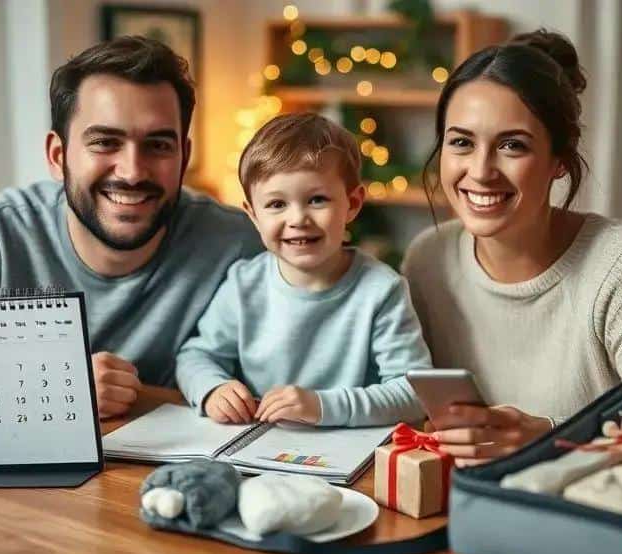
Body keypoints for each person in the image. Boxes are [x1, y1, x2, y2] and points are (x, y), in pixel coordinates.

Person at [0, 36, 262, 431]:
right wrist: (54, 388)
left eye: (158, 145)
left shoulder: (237, 244)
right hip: (12, 504)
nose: (132, 171)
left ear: (184, 155)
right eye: (104, 142)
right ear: (58, 157)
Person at [401, 30, 622, 466]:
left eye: (512, 145)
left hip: (591, 515)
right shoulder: (427, 258)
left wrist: (549, 434)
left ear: (559, 159)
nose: (481, 171)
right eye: (462, 142)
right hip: (464, 511)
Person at [175, 113, 432, 427]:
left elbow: (415, 393)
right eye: (276, 205)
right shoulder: (244, 283)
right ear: (253, 215)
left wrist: (322, 406)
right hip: (255, 446)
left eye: (317, 199)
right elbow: (196, 356)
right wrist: (212, 388)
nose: (297, 218)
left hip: (346, 458)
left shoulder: (381, 290)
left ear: (352, 204)